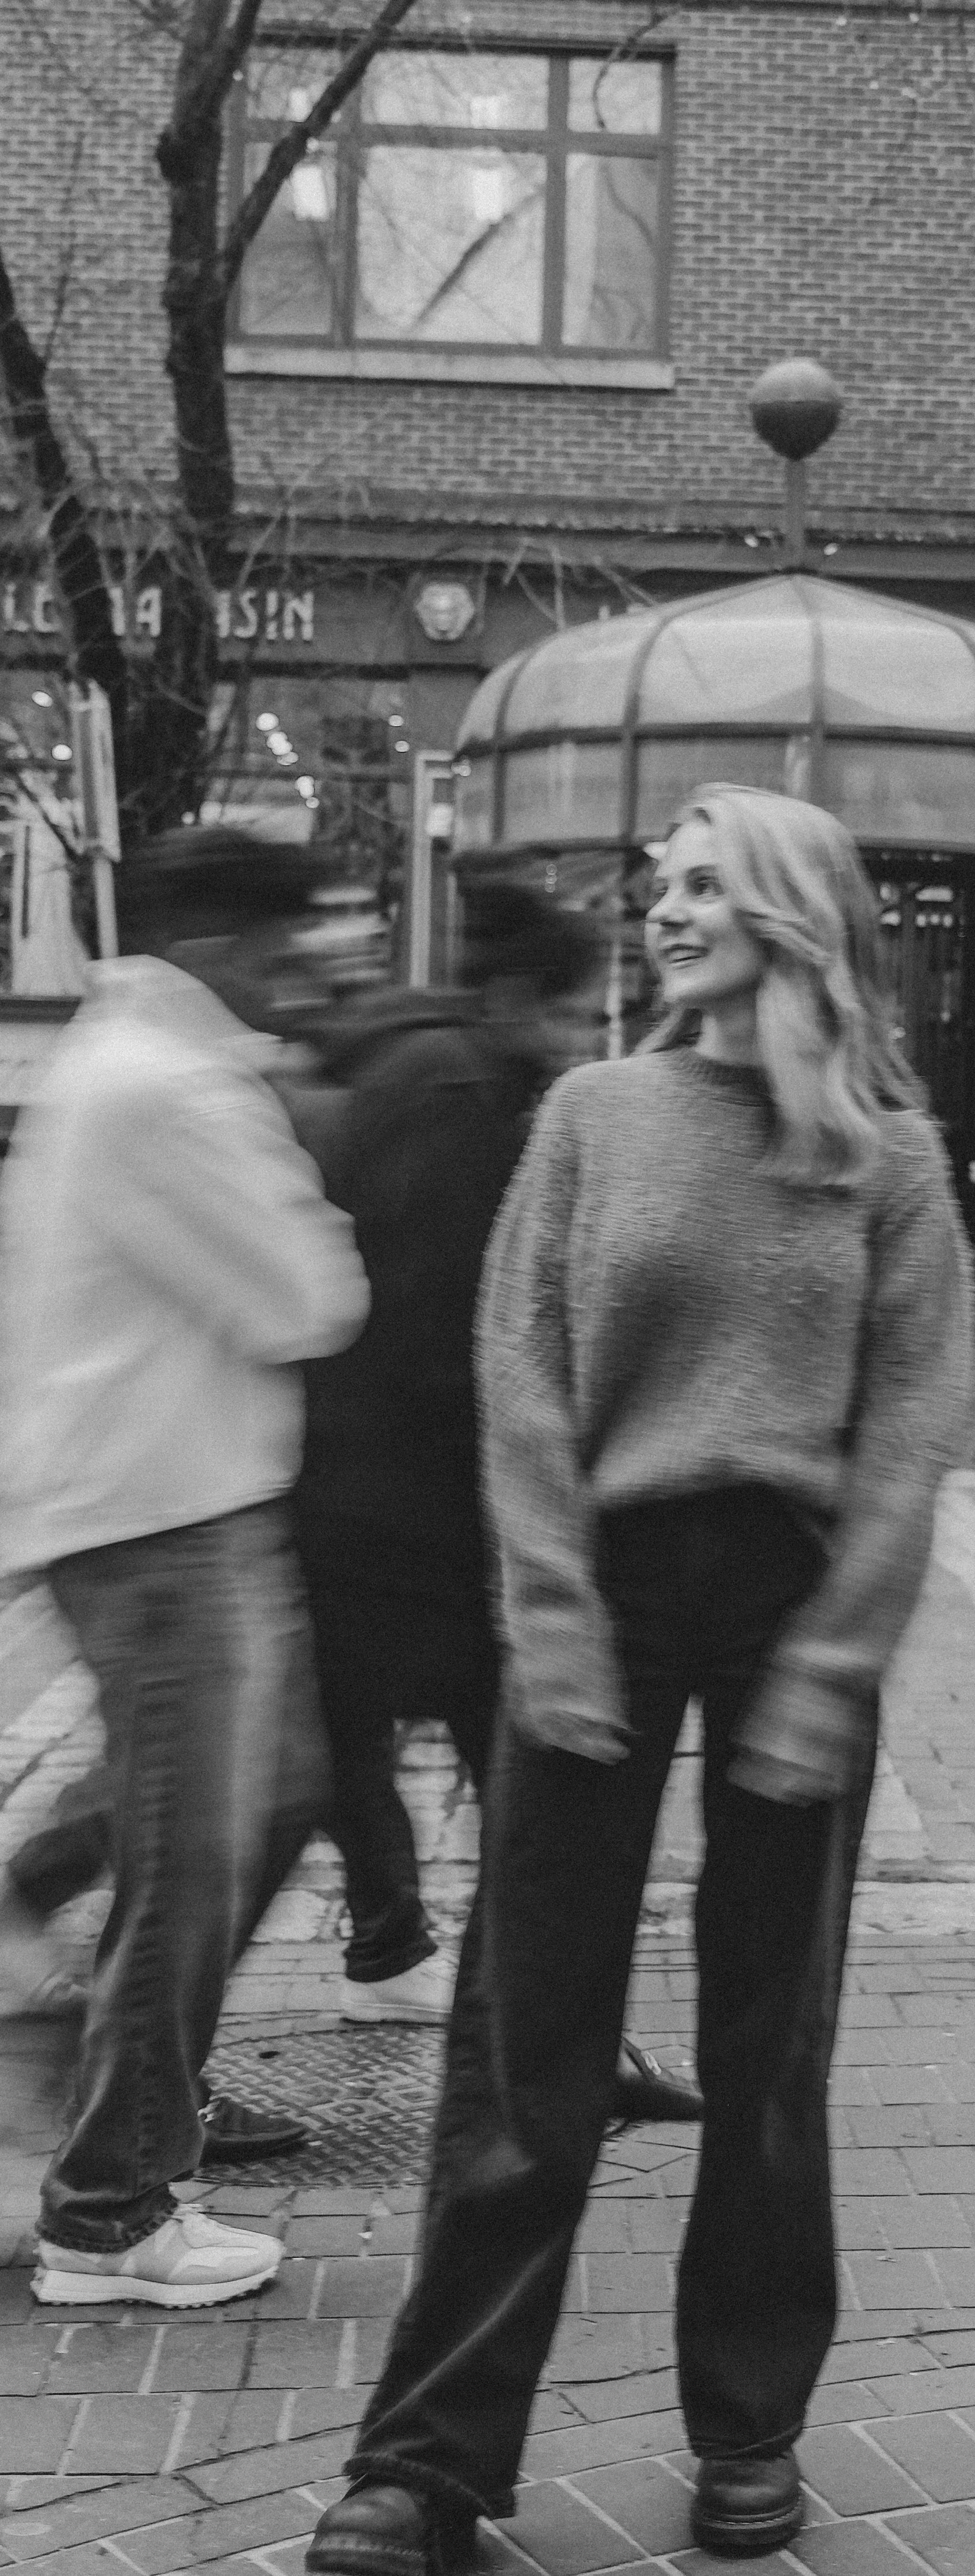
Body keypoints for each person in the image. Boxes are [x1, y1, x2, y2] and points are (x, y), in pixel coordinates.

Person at [306, 787, 975, 2576]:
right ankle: (427, 2461)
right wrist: (546, 1610)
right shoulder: (593, 1115)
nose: (666, 909)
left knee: (769, 2049)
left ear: (793, 909)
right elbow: (516, 1372)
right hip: (597, 1581)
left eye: (703, 882)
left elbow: (911, 1426)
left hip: (790, 1592)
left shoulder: (887, 1158)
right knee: (528, 2043)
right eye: (658, 884)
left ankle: (749, 2428)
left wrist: (835, 1657)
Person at [0, 828, 370, 2307]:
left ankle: (30, 1938)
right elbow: (310, 1297)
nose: (311, 965)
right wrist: (293, 1179)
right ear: (220, 944)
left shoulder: (124, 1058)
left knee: (246, 1803)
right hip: (165, 1524)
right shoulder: (172, 1084)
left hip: (154, 1511)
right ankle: (109, 2212)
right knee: (190, 1866)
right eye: (292, 939)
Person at [290, 887, 702, 2121]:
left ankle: (436, 1981)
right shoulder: (466, 1100)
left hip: (370, 1515)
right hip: (423, 1528)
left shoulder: (430, 1069)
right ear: (524, 996)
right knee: (540, 1805)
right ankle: (563, 2046)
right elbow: (462, 1330)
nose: (585, 1034)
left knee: (330, 1780)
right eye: (576, 1007)